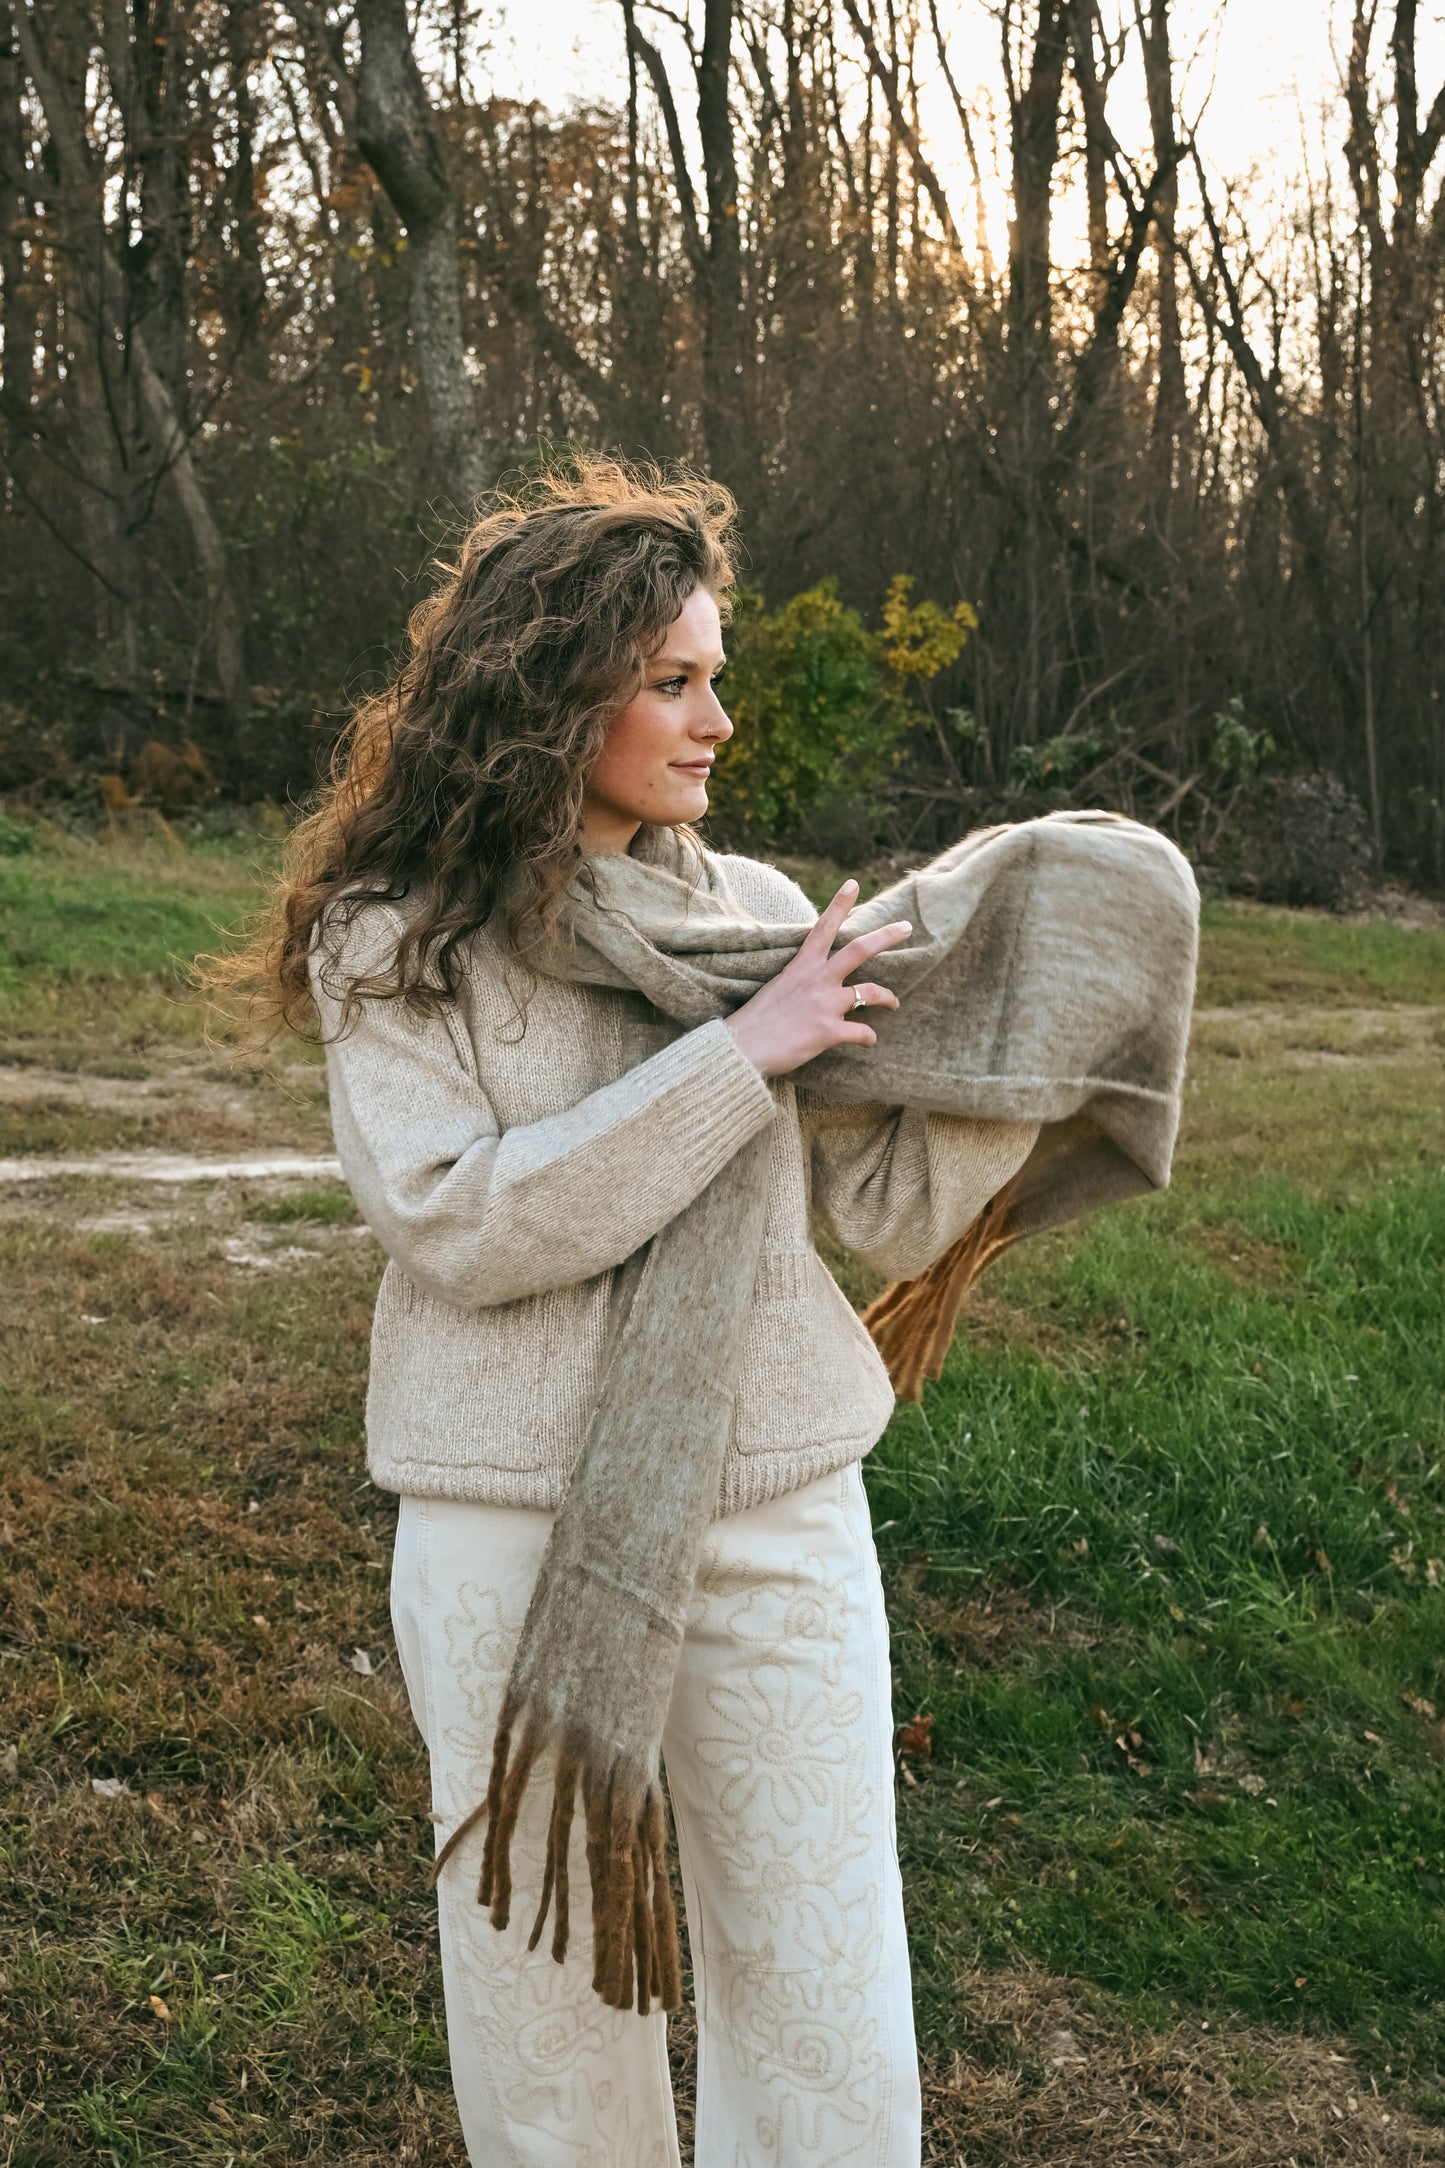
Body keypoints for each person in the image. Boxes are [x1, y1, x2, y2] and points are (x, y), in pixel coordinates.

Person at [218, 461, 1040, 2166]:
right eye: (672, 680)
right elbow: (463, 1222)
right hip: (509, 1521)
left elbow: (872, 1212)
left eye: (712, 674)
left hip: (771, 1501)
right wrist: (740, 1058)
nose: (716, 719)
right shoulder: (397, 943)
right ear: (548, 692)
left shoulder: (750, 916)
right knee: (542, 1980)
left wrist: (1029, 1044)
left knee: (819, 1972)